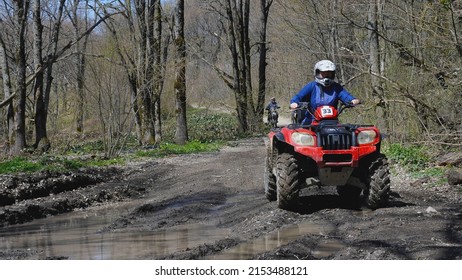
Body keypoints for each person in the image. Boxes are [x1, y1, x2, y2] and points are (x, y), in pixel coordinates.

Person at [290, 60, 360, 125]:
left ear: (333, 74)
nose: (326, 77)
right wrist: (294, 103)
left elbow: (346, 96)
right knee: (302, 136)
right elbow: (299, 96)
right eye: (323, 74)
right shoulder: (311, 86)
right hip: (311, 121)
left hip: (332, 121)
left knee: (344, 134)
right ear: (317, 73)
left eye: (329, 74)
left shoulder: (336, 87)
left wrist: (353, 100)